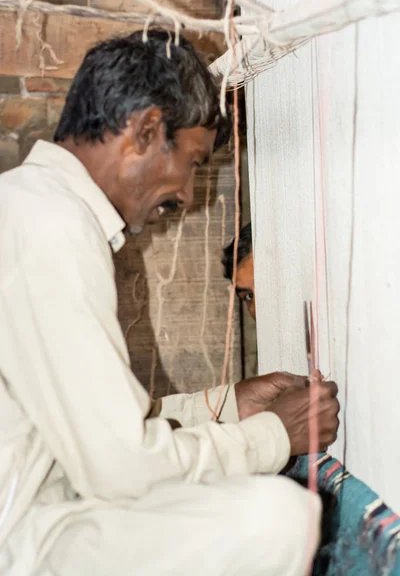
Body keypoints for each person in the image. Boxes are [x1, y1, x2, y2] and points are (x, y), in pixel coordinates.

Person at [0, 31, 339, 576]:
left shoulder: (31, 210)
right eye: (195, 162)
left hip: (39, 520)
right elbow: (121, 464)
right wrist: (274, 435)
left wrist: (228, 407)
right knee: (278, 516)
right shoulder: (49, 228)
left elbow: (94, 428)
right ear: (146, 132)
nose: (186, 193)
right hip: (23, 543)